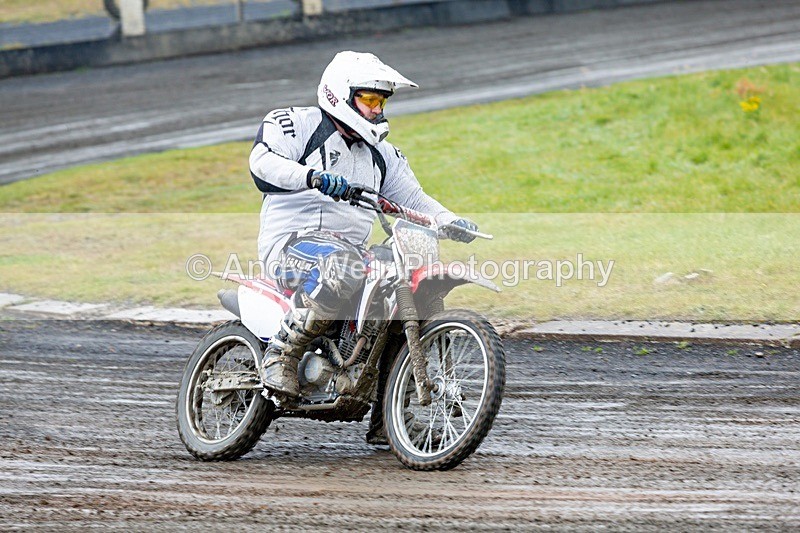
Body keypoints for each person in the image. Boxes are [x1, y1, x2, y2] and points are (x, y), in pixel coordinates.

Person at [249, 51, 477, 438]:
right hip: (291, 246)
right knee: (345, 265)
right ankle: (280, 354)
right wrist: (314, 178)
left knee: (401, 286)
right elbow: (262, 161)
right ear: (340, 94)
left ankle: (392, 414)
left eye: (380, 102)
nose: (376, 109)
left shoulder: (383, 155)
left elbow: (416, 199)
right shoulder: (295, 124)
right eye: (369, 100)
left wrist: (449, 220)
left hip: (351, 254)